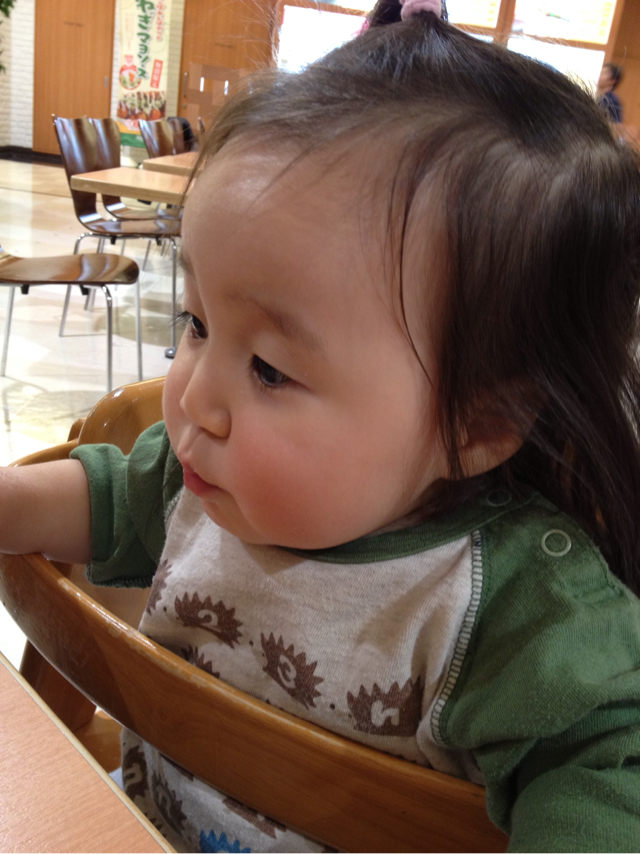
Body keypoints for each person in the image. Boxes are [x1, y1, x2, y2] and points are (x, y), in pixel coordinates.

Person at [3, 8, 640, 853]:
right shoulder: (203, 483)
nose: (194, 399)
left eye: (270, 370)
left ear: (478, 424)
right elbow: (108, 497)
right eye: (197, 324)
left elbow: (608, 770)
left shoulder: (520, 610)